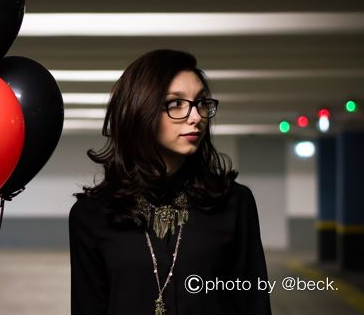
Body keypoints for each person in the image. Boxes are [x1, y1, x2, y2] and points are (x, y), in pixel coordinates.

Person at [69, 49, 271, 315]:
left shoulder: (234, 202)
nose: (196, 116)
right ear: (140, 111)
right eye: (176, 103)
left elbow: (254, 306)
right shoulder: (92, 214)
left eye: (201, 102)